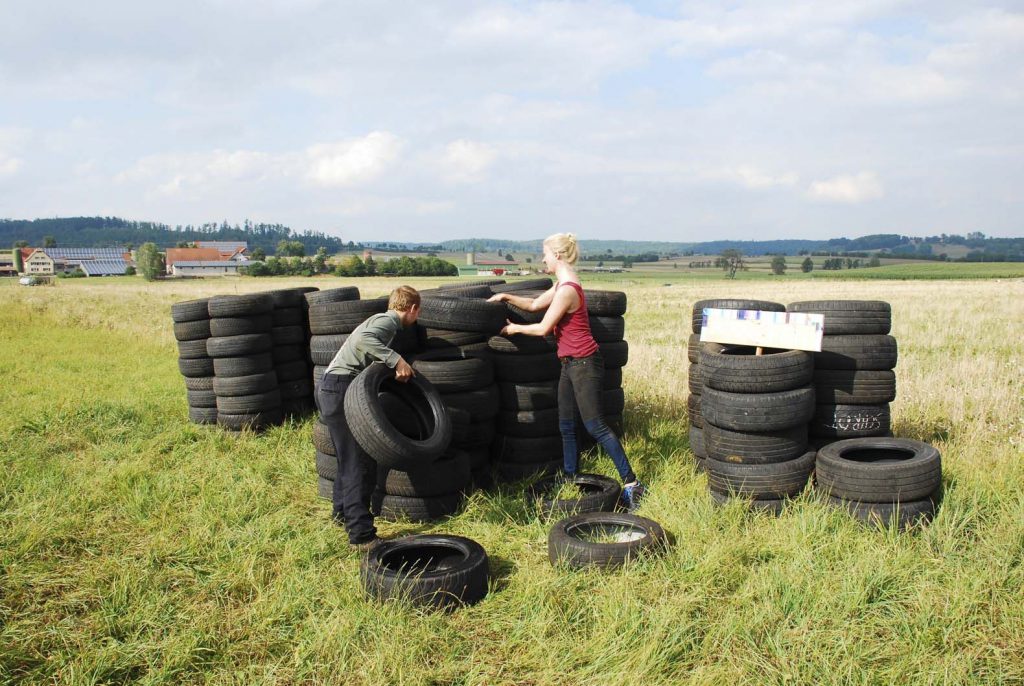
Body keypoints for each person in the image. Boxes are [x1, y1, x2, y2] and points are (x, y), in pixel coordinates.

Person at [488, 233, 645, 511]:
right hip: (570, 363)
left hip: (585, 363)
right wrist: (506, 296)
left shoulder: (568, 289)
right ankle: (571, 475)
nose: (543, 259)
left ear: (557, 255)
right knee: (566, 424)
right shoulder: (563, 283)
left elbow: (543, 328)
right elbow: (535, 305)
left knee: (595, 426)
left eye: (545, 254)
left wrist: (514, 328)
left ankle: (632, 484)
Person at [316, 285, 420, 550]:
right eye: (417, 313)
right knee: (359, 463)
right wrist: (396, 360)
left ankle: (342, 514)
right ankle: (362, 535)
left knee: (346, 458)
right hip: (340, 389)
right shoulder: (388, 322)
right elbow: (365, 342)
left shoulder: (379, 319)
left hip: (331, 387)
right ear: (412, 309)